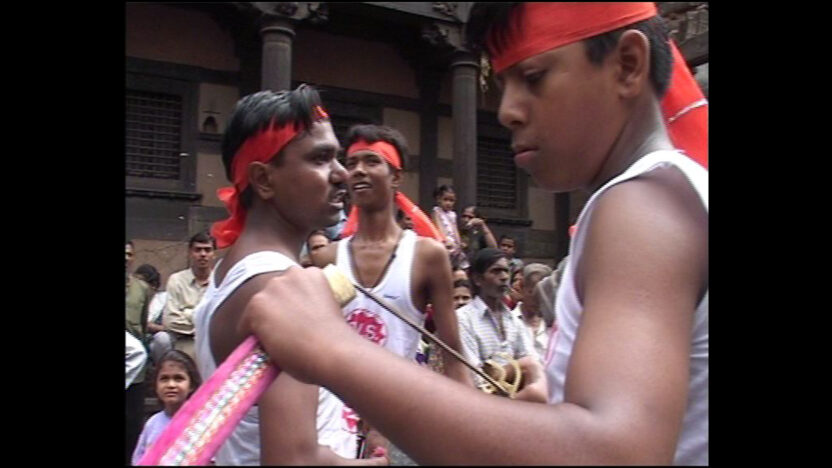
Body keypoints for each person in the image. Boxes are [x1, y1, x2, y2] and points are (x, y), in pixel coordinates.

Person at [240, 2, 708, 464]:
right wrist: (550, 399)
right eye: (503, 85)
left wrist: (332, 348)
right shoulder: (665, 193)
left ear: (627, 64)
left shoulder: (640, 207)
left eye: (534, 77)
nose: (506, 111)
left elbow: (611, 454)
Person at [192, 86, 386, 465]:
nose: (342, 174)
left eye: (337, 158)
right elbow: (294, 460)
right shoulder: (281, 286)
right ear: (264, 180)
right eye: (320, 158)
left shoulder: (230, 273)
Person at [312, 123, 472, 456]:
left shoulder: (427, 256)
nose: (358, 170)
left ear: (396, 177)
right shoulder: (326, 258)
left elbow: (452, 353)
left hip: (396, 418)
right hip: (331, 422)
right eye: (352, 163)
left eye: (372, 161)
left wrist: (474, 436)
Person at [456, 248, 530, 388]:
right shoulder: (463, 319)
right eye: (496, 271)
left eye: (506, 271)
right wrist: (515, 370)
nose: (504, 277)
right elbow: (475, 376)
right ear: (478, 279)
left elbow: (530, 359)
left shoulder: (513, 320)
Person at [131, 350, 202, 465]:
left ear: (191, 385)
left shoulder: (201, 423)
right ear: (156, 385)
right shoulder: (152, 424)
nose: (171, 385)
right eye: (164, 379)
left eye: (178, 378)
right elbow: (139, 460)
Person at [163, 232, 216, 362]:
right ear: (190, 253)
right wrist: (202, 320)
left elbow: (221, 319)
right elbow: (170, 321)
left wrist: (188, 314)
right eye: (198, 250)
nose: (203, 254)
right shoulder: (176, 280)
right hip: (184, 342)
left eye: (207, 250)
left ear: (214, 254)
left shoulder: (221, 281)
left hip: (212, 343)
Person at [125, 240, 152, 464]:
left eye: (129, 254)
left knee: (133, 420)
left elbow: (143, 324)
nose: (125, 258)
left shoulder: (141, 288)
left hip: (134, 367)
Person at [511, 263, 553, 362]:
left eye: (541, 294)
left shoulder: (553, 323)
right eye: (531, 292)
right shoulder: (509, 321)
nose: (536, 299)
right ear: (521, 288)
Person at [134, 263, 171, 364]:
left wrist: (153, 327)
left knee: (163, 339)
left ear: (153, 285)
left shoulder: (164, 300)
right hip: (134, 340)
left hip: (153, 343)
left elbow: (170, 326)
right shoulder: (132, 298)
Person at [430, 184, 468, 269]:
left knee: (460, 257)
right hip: (443, 239)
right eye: (445, 199)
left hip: (452, 241)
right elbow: (439, 226)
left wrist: (459, 242)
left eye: (451, 200)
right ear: (439, 199)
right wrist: (445, 240)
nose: (448, 203)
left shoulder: (452, 214)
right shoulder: (436, 211)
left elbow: (454, 229)